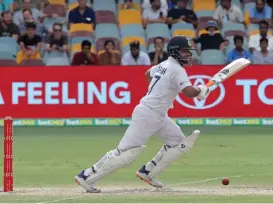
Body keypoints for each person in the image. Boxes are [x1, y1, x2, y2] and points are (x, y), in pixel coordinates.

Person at [74, 36, 209, 193]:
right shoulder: (177, 69)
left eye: (188, 51)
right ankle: (86, 176)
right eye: (185, 51)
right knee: (126, 152)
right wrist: (201, 90)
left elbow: (147, 74)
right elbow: (189, 93)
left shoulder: (164, 64)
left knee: (178, 143)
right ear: (174, 51)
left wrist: (161, 95)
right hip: (148, 114)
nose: (188, 55)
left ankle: (148, 172)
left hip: (158, 114)